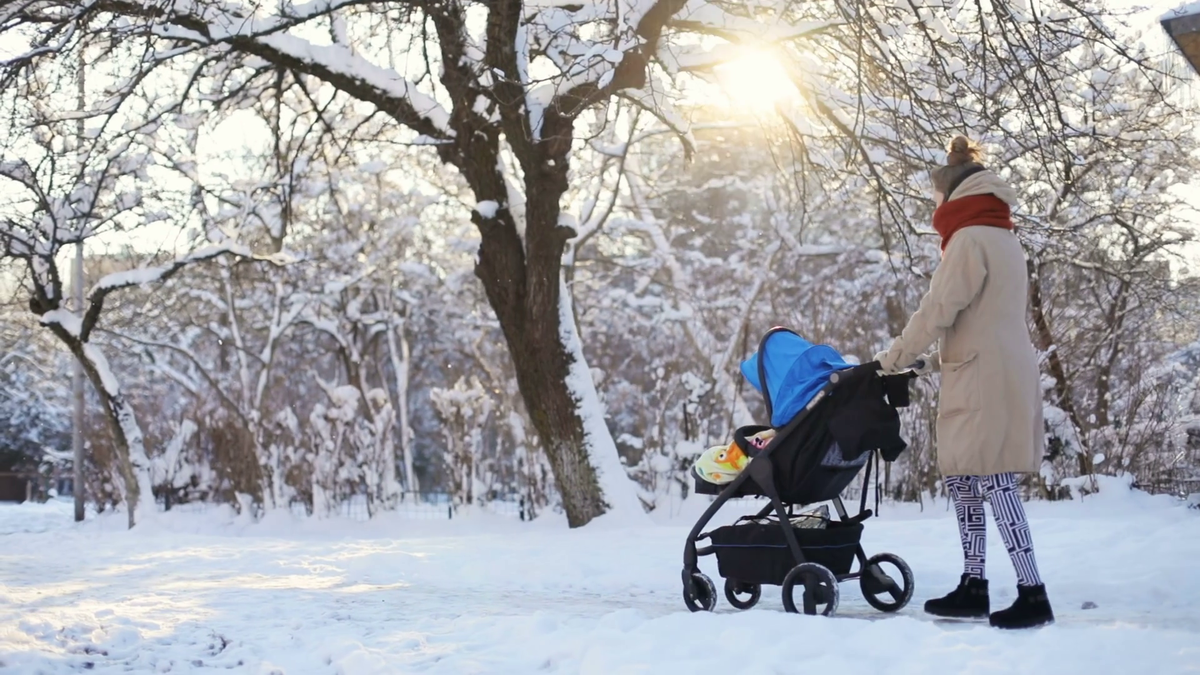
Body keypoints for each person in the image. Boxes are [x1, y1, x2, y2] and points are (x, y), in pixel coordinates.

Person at [874, 135, 1054, 629]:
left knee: (993, 478)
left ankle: (1032, 592)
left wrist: (893, 359)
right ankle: (974, 585)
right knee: (965, 479)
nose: (934, 207)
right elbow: (977, 317)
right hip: (988, 367)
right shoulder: (1000, 236)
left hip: (984, 377)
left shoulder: (971, 238)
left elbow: (938, 309)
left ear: (953, 195)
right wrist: (930, 363)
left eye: (935, 197)